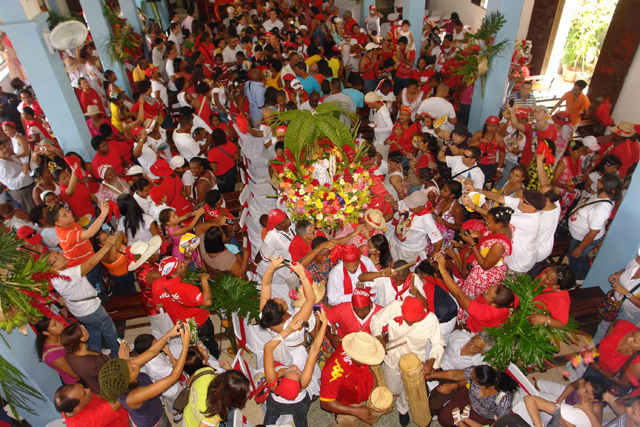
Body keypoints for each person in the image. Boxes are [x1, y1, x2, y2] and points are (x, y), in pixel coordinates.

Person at [98, 323, 190, 427]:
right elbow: (173, 376)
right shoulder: (133, 396)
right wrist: (185, 345)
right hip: (153, 422)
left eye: (130, 362)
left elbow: (151, 351)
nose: (136, 365)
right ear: (126, 381)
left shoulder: (124, 372)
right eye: (132, 369)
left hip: (154, 407)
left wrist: (169, 334)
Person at [371, 297, 445, 426]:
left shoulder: (431, 319)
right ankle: (396, 395)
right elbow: (376, 320)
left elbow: (438, 344)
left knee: (408, 390)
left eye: (412, 321)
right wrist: (378, 336)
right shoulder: (394, 306)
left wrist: (431, 361)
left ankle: (403, 409)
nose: (408, 323)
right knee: (393, 388)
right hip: (393, 356)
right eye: (405, 320)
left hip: (414, 362)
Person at [263, 309, 328, 426]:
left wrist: (288, 330)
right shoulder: (304, 382)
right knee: (301, 421)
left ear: (279, 379)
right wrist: (324, 324)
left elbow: (267, 348)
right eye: (297, 372)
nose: (294, 367)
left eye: (290, 371)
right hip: (300, 405)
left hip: (275, 404)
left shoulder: (271, 381)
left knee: (270, 419)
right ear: (301, 385)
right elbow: (313, 351)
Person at [466, 188, 546, 277]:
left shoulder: (529, 221)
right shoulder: (523, 206)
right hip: (511, 252)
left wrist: (473, 207)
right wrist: (478, 191)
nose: (520, 200)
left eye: (524, 201)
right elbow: (501, 198)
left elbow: (497, 217)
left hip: (518, 263)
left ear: (533, 208)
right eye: (523, 198)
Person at [152, 256, 220, 358]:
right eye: (180, 266)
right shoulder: (186, 287)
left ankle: (198, 359)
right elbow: (207, 302)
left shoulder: (156, 284)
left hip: (182, 324)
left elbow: (158, 304)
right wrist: (204, 279)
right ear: (174, 274)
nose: (183, 265)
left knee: (192, 344)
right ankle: (214, 357)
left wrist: (172, 301)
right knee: (209, 343)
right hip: (199, 321)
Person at [450, 207, 513, 307]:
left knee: (469, 301)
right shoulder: (497, 230)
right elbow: (487, 240)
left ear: (499, 224)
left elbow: (485, 265)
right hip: (480, 265)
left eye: (488, 222)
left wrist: (472, 244)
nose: (485, 223)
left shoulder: (499, 245)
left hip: (483, 275)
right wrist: (479, 235)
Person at [435, 253, 515, 332]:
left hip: (474, 330)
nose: (485, 290)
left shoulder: (485, 313)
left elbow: (459, 295)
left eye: (487, 294)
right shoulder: (508, 299)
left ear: (493, 305)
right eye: (489, 288)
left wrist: (443, 270)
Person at [319, 332, 385, 426]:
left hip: (359, 387)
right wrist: (355, 411)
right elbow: (325, 403)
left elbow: (365, 365)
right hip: (346, 403)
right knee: (347, 423)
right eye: (368, 359)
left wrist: (372, 376)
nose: (369, 362)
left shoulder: (353, 345)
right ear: (356, 357)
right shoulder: (333, 371)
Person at [425, 364, 520, 427]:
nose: (471, 377)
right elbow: (454, 375)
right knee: (444, 418)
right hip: (467, 396)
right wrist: (432, 375)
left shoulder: (505, 398)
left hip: (484, 415)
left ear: (483, 385)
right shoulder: (478, 372)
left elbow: (500, 421)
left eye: (473, 379)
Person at [568, 173, 622, 282]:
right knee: (581, 258)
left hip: (584, 238)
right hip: (580, 234)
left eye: (600, 180)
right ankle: (582, 273)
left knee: (574, 257)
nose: (597, 181)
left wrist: (579, 249)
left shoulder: (601, 209)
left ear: (604, 186)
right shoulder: (600, 195)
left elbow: (593, 233)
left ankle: (576, 279)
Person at [428, 330, 495, 415]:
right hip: (438, 364)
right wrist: (435, 358)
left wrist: (454, 386)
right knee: (415, 379)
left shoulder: (481, 364)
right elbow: (442, 341)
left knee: (434, 404)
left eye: (476, 347)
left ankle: (430, 417)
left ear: (483, 352)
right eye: (472, 341)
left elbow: (471, 380)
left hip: (453, 380)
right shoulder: (459, 336)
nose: (470, 346)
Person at [593, 247, 640, 344]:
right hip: (616, 303)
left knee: (614, 334)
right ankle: (593, 347)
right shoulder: (636, 262)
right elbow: (626, 270)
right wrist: (618, 274)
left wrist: (626, 292)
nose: (637, 258)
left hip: (630, 313)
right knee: (603, 326)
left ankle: (602, 353)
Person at [515, 377, 606, 427]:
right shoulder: (581, 384)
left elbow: (597, 424)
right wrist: (560, 399)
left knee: (535, 395)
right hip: (566, 397)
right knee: (539, 383)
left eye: (586, 391)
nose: (582, 389)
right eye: (584, 386)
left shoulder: (597, 406)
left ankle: (542, 414)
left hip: (568, 407)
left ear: (594, 399)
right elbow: (571, 386)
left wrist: (588, 412)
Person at [54, 382, 129, 427]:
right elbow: (118, 401)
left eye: (83, 388)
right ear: (76, 408)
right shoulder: (86, 422)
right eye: (84, 393)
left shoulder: (68, 407)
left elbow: (98, 396)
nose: (88, 390)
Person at [359, 259, 424, 306]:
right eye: (396, 279)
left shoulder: (414, 278)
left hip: (405, 316)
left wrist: (417, 293)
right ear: (393, 273)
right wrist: (380, 274)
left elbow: (425, 305)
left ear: (408, 275)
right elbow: (361, 278)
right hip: (384, 312)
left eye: (402, 281)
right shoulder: (386, 275)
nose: (398, 283)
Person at [34, 317, 79, 384]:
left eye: (56, 321)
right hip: (77, 380)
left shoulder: (59, 335)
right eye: (54, 325)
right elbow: (75, 374)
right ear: (46, 333)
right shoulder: (51, 355)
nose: (59, 324)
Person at [552, 140, 586, 218]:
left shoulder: (579, 161)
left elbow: (574, 178)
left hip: (569, 195)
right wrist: (565, 186)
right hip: (558, 193)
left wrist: (581, 178)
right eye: (579, 152)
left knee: (561, 215)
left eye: (582, 152)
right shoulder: (563, 162)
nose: (581, 154)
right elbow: (553, 181)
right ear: (571, 151)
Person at [0, 141, 35, 212]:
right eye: (1, 149)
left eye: (4, 146)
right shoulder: (2, 167)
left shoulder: (10, 156)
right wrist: (23, 172)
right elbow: (13, 184)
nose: (5, 149)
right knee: (36, 212)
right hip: (24, 192)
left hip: (31, 185)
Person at [208, 129, 239, 193]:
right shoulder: (231, 144)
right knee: (231, 190)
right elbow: (237, 158)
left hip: (220, 176)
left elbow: (214, 169)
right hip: (232, 171)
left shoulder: (212, 152)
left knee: (222, 193)